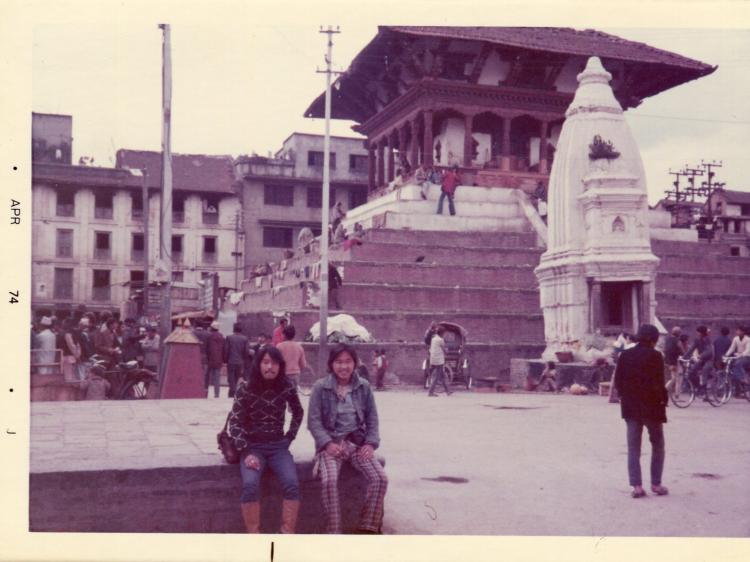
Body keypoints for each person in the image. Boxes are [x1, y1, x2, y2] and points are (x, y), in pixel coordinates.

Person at [307, 344, 388, 534]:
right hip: (332, 444)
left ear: (355, 363)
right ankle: (334, 531)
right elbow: (313, 421)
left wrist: (370, 443)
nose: (343, 366)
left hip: (357, 444)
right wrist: (327, 444)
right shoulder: (320, 387)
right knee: (329, 481)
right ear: (331, 364)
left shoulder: (364, 386)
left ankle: (367, 528)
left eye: (348, 361)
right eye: (339, 362)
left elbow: (372, 418)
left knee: (380, 478)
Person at [227, 345, 304, 534]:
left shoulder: (286, 386)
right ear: (258, 364)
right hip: (253, 448)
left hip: (279, 448)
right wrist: (246, 451)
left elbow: (298, 412)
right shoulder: (245, 388)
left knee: (292, 484)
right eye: (266, 362)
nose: (270, 367)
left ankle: (286, 533)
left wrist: (289, 437)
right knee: (250, 485)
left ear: (280, 366)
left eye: (275, 363)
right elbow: (235, 423)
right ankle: (254, 535)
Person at [613, 323, 669, 499]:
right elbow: (659, 383)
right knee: (658, 445)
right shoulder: (656, 356)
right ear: (653, 339)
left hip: (631, 408)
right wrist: (663, 401)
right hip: (652, 408)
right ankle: (656, 484)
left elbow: (618, 382)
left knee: (633, 448)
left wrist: (625, 397)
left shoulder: (625, 355)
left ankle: (636, 486)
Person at [683, 325, 714, 396]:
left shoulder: (707, 340)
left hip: (709, 359)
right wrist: (684, 356)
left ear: (702, 333)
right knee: (691, 371)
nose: (697, 334)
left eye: (699, 332)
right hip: (701, 359)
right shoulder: (697, 340)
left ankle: (704, 388)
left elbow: (709, 351)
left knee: (705, 369)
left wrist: (701, 355)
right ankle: (698, 386)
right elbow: (691, 349)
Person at [224, 323, 250, 398]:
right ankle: (231, 393)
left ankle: (233, 391)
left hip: (231, 361)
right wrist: (244, 360)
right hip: (240, 361)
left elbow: (226, 350)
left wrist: (225, 360)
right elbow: (246, 351)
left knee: (230, 378)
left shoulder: (229, 338)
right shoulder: (245, 339)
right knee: (236, 378)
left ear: (233, 329)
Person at [277, 325, 307, 390]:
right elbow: (303, 365)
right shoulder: (299, 347)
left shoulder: (279, 346)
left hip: (283, 374)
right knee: (293, 393)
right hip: (295, 375)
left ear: (284, 335)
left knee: (282, 393)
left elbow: (276, 362)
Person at [427, 326, 452, 397]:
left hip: (433, 359)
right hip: (439, 361)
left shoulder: (433, 339)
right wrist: (447, 351)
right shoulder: (441, 340)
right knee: (437, 377)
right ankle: (430, 392)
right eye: (444, 333)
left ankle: (448, 391)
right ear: (442, 333)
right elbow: (445, 350)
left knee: (442, 375)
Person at [206, 321, 225, 398]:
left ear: (212, 328)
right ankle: (217, 394)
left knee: (207, 377)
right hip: (219, 360)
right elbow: (224, 349)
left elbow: (208, 348)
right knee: (217, 378)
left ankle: (205, 392)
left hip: (210, 359)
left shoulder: (209, 336)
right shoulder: (221, 336)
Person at [663, 326, 683, 390]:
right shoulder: (677, 341)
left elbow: (665, 349)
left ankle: (674, 393)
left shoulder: (667, 339)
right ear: (678, 333)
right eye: (680, 332)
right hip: (674, 362)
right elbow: (681, 350)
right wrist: (682, 353)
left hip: (667, 361)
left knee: (672, 377)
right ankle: (664, 390)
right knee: (676, 378)